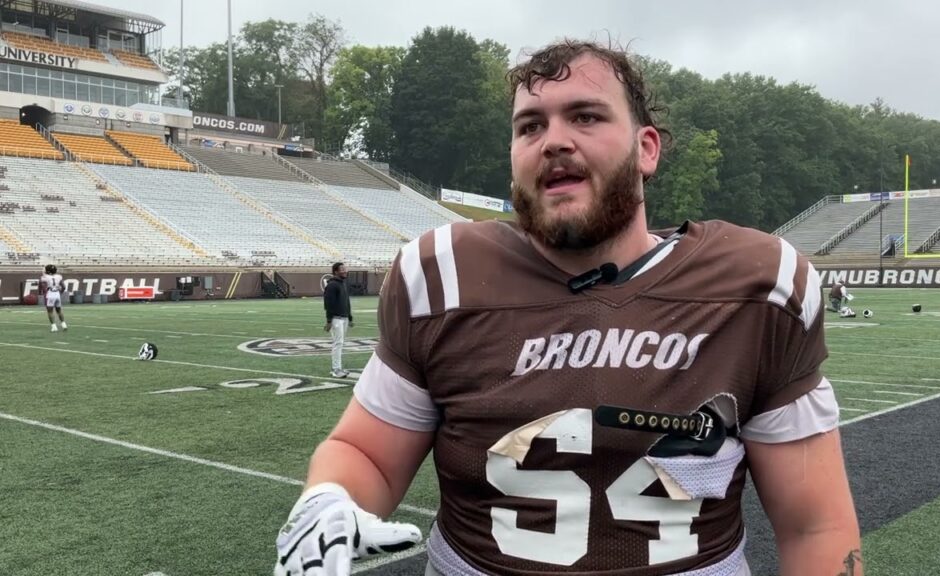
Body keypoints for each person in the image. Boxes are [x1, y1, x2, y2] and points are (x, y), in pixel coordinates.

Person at [276, 39, 861, 576]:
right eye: (530, 126)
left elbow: (815, 524)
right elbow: (367, 454)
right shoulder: (444, 278)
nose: (553, 140)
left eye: (585, 116)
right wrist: (329, 496)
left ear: (646, 148)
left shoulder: (756, 285)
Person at [323, 262, 354, 379]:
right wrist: (329, 320)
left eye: (345, 269)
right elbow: (328, 304)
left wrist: (349, 317)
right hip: (336, 319)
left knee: (340, 343)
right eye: (342, 269)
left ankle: (338, 367)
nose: (345, 271)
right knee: (338, 343)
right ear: (336, 271)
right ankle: (335, 369)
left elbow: (347, 302)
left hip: (344, 318)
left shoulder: (343, 284)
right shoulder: (332, 285)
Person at [39, 264, 67, 333]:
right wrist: (61, 292)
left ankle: (54, 327)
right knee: (59, 310)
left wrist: (42, 292)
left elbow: (42, 287)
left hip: (50, 294)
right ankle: (64, 324)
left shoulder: (45, 277)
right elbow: (63, 286)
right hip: (57, 293)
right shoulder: (59, 276)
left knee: (50, 311)